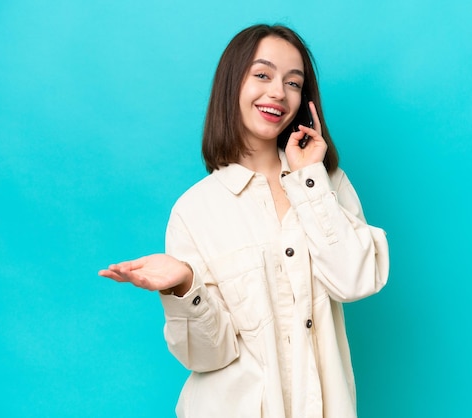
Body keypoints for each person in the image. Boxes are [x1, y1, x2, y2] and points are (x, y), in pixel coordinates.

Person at [99, 23, 389, 418]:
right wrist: (184, 285)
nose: (278, 92)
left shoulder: (327, 183)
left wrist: (309, 179)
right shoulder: (194, 210)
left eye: (293, 82)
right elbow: (207, 355)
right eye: (263, 75)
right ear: (233, 83)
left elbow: (355, 281)